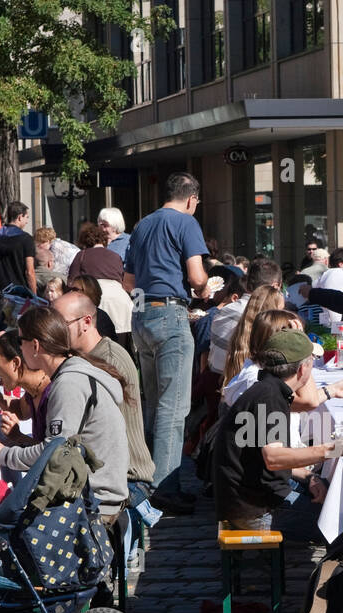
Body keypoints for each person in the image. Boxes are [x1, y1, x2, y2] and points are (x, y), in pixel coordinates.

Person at [213, 329, 343, 538]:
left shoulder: (267, 390)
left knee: (337, 495)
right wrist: (333, 448)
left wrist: (309, 476)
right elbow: (273, 458)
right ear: (302, 369)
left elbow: (257, 457)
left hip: (248, 498)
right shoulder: (269, 398)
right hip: (254, 511)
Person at [0, 306, 129, 518]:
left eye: (20, 342)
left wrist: (2, 454)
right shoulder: (70, 375)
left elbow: (54, 452)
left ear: (35, 346)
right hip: (93, 495)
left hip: (94, 504)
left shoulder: (69, 383)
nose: (19, 349)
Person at [123, 172, 209, 513]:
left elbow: (129, 281)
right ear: (191, 199)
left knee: (154, 403)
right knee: (174, 409)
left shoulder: (142, 225)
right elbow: (196, 276)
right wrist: (204, 290)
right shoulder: (186, 223)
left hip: (141, 315)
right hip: (170, 314)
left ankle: (148, 479)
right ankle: (162, 487)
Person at [54, 291, 156, 496]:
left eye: (61, 325)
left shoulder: (107, 360)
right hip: (111, 472)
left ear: (86, 322)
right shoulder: (88, 357)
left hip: (126, 477)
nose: (53, 331)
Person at [0, 330, 50, 446]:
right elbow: (21, 410)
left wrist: (18, 436)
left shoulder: (52, 392)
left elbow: (52, 451)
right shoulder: (34, 390)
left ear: (15, 363)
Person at [0, 201, 38, 294]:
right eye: (26, 217)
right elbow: (29, 272)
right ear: (20, 217)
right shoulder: (26, 239)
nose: (27, 221)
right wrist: (34, 296)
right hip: (20, 292)